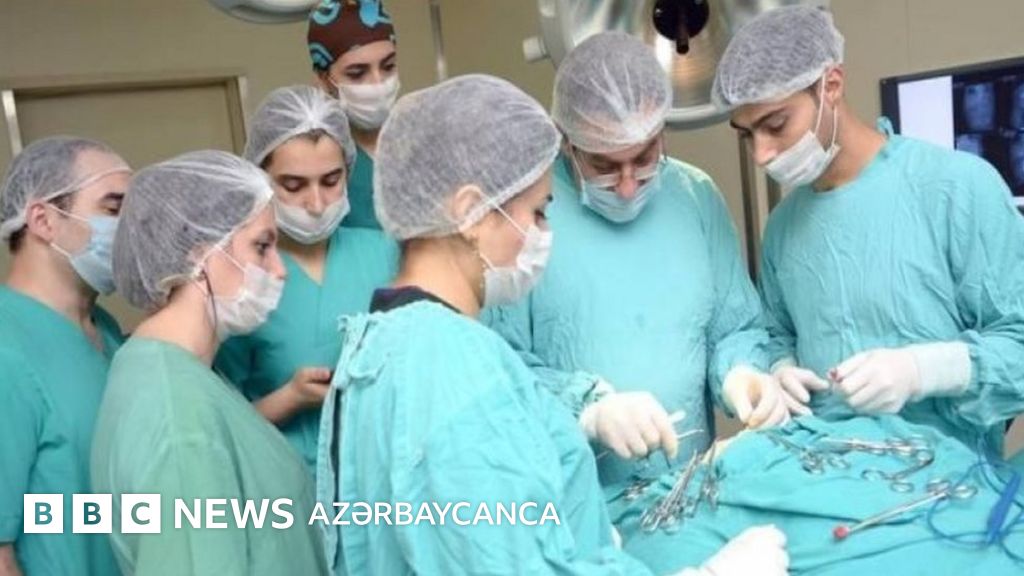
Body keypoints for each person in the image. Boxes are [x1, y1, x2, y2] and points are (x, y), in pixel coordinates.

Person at [316, 74, 789, 576]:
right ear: (471, 213)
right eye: (538, 212)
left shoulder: (376, 346)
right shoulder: (455, 372)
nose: (544, 234)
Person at [483, 32, 792, 495]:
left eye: (645, 158)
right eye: (604, 166)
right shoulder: (527, 213)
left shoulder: (695, 196)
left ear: (661, 131)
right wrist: (588, 410)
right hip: (574, 497)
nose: (628, 186)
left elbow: (734, 328)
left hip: (687, 487)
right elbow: (500, 367)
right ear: (566, 141)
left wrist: (742, 375)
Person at [712, 6, 1024, 455]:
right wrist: (779, 367)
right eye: (746, 134)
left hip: (946, 475)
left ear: (831, 85)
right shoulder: (782, 226)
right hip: (825, 470)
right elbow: (778, 332)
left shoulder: (957, 188)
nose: (761, 154)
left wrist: (924, 370)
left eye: (776, 124)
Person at [91, 151, 327, 575]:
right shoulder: (178, 417)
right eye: (262, 247)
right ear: (199, 257)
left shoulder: (174, 372)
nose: (280, 270)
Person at [214, 85, 397, 475]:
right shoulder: (240, 278)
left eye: (330, 181)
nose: (316, 204)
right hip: (290, 484)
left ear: (349, 171)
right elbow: (219, 430)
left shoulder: (387, 253)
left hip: (384, 478)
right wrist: (290, 398)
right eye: (293, 186)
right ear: (260, 180)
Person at [0, 136, 129, 576]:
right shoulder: (7, 350)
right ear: (43, 220)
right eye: (113, 209)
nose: (131, 229)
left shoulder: (105, 330)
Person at [308, 0, 399, 230]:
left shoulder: (423, 143)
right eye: (357, 73)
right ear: (323, 80)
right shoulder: (322, 163)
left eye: (388, 66)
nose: (378, 83)